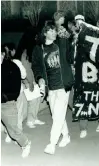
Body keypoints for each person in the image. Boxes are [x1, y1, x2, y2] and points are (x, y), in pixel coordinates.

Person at [32, 23, 71, 155]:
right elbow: (36, 67)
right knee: (56, 116)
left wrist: (69, 39)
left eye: (55, 31)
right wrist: (39, 78)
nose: (54, 33)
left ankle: (51, 143)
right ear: (45, 33)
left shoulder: (61, 44)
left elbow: (71, 57)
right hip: (51, 88)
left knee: (59, 114)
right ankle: (66, 136)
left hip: (63, 86)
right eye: (51, 31)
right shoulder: (39, 49)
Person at [1, 46, 31, 158]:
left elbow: (15, 88)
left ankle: (26, 143)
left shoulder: (12, 67)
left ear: (2, 54)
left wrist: (4, 97)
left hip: (7, 103)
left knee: (13, 130)